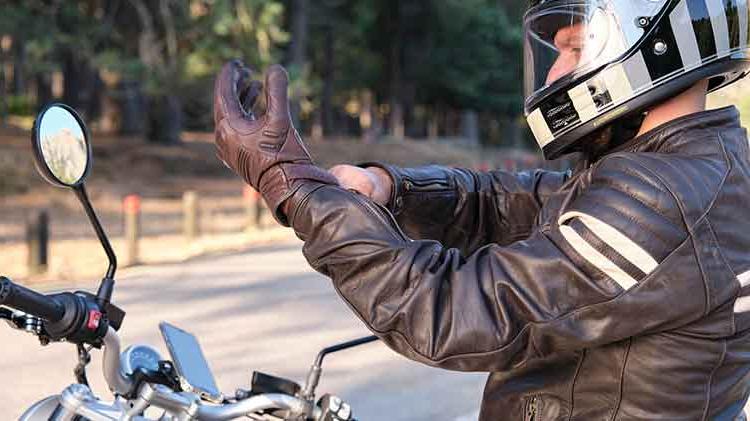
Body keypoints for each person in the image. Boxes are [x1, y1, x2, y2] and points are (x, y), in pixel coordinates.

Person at [213, 0, 750, 419]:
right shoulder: (696, 166)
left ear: (657, 45)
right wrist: (391, 188)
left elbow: (444, 313)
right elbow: (514, 203)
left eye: (577, 46)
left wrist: (292, 186)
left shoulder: (667, 197)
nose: (553, 74)